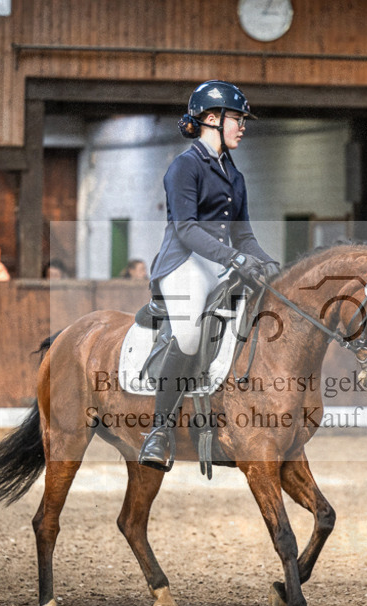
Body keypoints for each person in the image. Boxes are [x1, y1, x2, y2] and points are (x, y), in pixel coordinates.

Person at [139, 80, 280, 471]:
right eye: (237, 119)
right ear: (212, 119)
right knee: (188, 334)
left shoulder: (235, 176)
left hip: (221, 262)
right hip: (183, 263)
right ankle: (159, 431)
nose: (242, 126)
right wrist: (235, 261)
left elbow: (244, 235)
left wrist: (269, 265)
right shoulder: (184, 167)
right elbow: (185, 229)